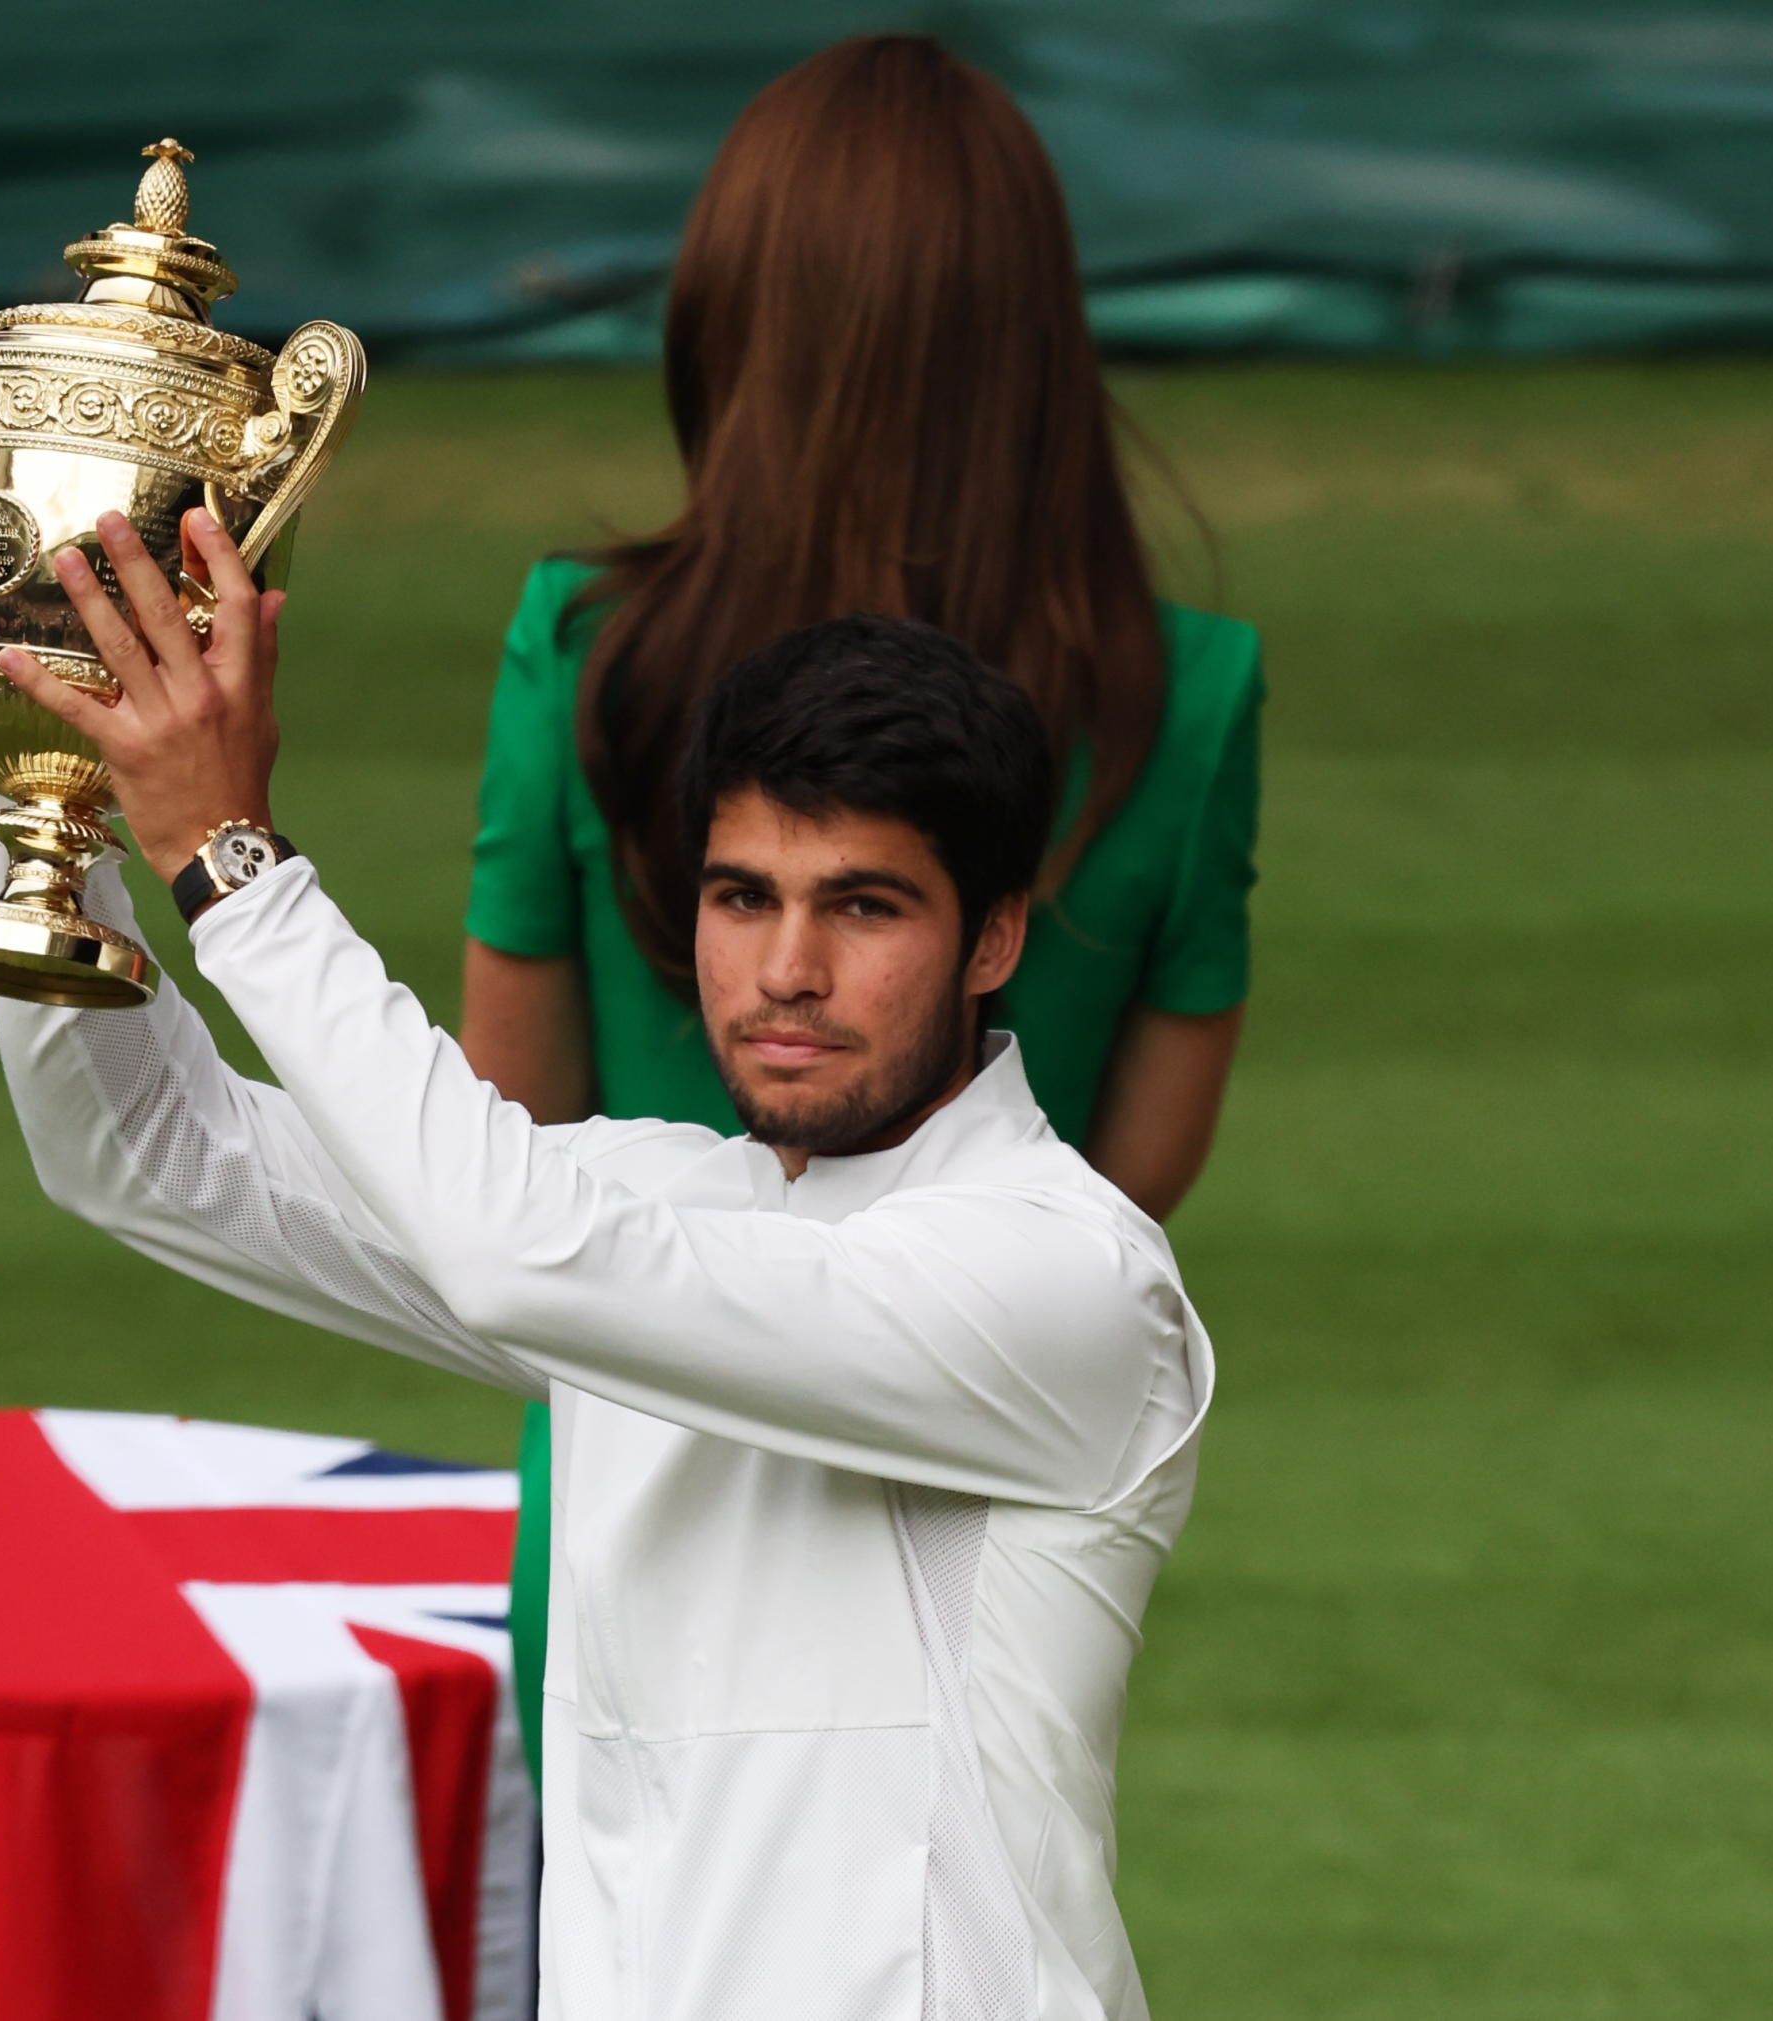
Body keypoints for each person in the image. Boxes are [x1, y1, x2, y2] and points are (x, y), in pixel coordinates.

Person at [0, 498, 1210, 2017]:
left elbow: (514, 1255)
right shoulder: (651, 1215)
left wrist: (235, 866)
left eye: (863, 906)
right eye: (744, 897)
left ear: (992, 938)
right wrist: (30, 740)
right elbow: (146, 1145)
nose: (787, 970)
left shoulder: (1067, 1278)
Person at [458, 34, 1264, 1767]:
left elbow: (509, 1131)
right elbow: (1130, 1179)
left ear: (731, 320)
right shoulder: (1186, 693)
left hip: (625, 1519)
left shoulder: (583, 648)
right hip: (965, 1535)